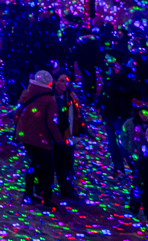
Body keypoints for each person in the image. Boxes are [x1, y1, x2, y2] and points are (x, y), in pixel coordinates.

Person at [15, 70, 63, 207]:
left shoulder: (26, 93)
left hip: (25, 136)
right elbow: (52, 123)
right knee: (48, 169)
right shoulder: (50, 99)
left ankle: (28, 194)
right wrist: (59, 140)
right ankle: (46, 198)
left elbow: (17, 112)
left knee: (34, 164)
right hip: (42, 139)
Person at [99, 53, 140, 176]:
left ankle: (136, 169)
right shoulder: (108, 72)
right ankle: (118, 169)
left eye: (110, 57)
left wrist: (119, 90)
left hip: (121, 114)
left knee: (124, 145)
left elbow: (135, 92)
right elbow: (105, 90)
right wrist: (100, 105)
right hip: (108, 114)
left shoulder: (127, 74)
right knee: (113, 144)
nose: (107, 60)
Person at [53, 72, 86, 200]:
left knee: (67, 162)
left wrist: (81, 130)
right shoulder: (51, 97)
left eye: (66, 81)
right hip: (55, 135)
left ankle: (67, 187)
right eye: (61, 80)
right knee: (58, 162)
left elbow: (77, 114)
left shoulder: (70, 97)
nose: (64, 84)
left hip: (69, 135)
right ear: (55, 81)